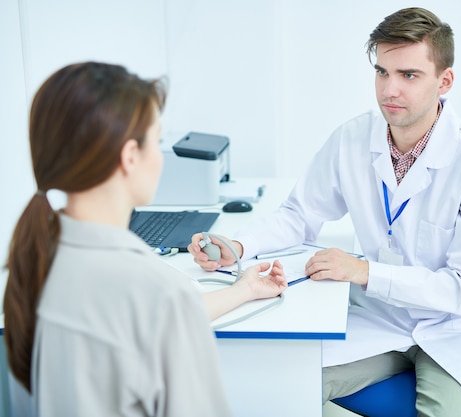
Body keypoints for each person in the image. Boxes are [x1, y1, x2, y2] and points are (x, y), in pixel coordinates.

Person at [189, 7, 461, 417]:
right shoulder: (352, 139)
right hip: (380, 319)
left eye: (409, 75)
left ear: (444, 81)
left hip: (458, 328)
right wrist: (239, 244)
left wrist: (365, 272)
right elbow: (298, 214)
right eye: (382, 72)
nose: (389, 90)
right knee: (271, 387)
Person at [2, 61, 287, 416]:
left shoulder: (34, 260)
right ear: (129, 157)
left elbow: (151, 320)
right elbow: (161, 313)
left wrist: (244, 290)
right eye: (157, 140)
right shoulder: (156, 292)